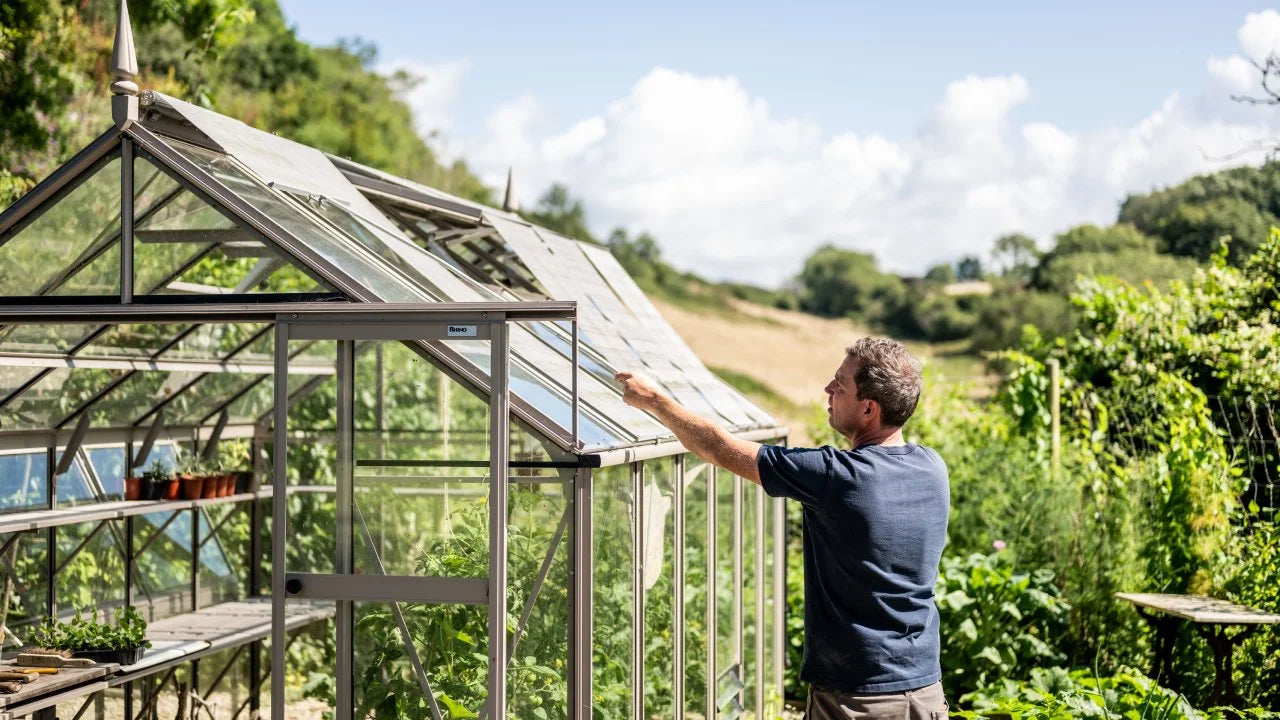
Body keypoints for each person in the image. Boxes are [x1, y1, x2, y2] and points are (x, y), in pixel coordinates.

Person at [615, 336, 950, 720]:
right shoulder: (932, 468)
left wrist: (654, 400)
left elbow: (720, 449)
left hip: (857, 699)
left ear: (869, 408)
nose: (828, 389)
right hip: (924, 691)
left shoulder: (836, 476)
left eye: (840, 384)